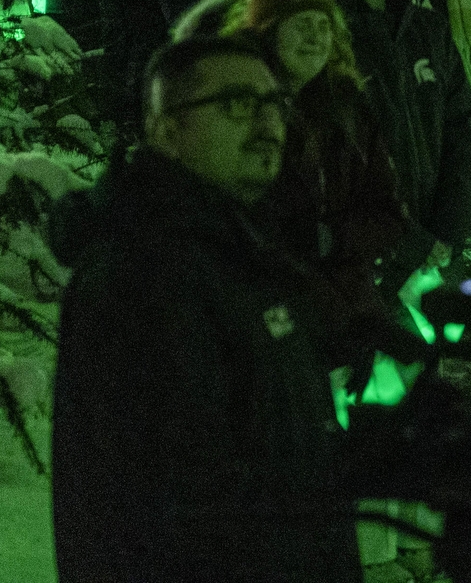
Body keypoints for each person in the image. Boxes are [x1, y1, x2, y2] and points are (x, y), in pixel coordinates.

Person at [51, 35, 362, 582]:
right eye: (240, 105)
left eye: (274, 105)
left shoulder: (236, 246)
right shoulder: (146, 275)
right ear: (168, 131)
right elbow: (175, 507)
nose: (268, 124)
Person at [239, 0, 414, 328]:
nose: (316, 38)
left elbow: (386, 206)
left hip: (350, 306)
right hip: (273, 318)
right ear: (268, 32)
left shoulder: (346, 107)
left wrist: (336, 241)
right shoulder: (238, 115)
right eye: (302, 25)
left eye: (323, 25)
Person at [328, 0, 471, 258]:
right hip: (368, 251)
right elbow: (339, 160)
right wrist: (404, 238)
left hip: (436, 237)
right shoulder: (332, 41)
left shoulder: (427, 28)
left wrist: (448, 227)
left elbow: (462, 126)